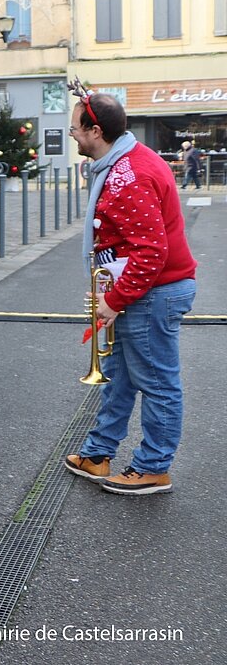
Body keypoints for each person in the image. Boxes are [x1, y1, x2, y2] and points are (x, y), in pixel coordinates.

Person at [63, 88, 196, 495]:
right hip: (145, 289)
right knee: (119, 376)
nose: (72, 134)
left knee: (157, 384)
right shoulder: (125, 160)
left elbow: (151, 252)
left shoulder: (129, 176)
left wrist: (113, 301)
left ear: (96, 131)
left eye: (75, 128)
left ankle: (153, 468)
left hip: (153, 292)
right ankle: (98, 453)